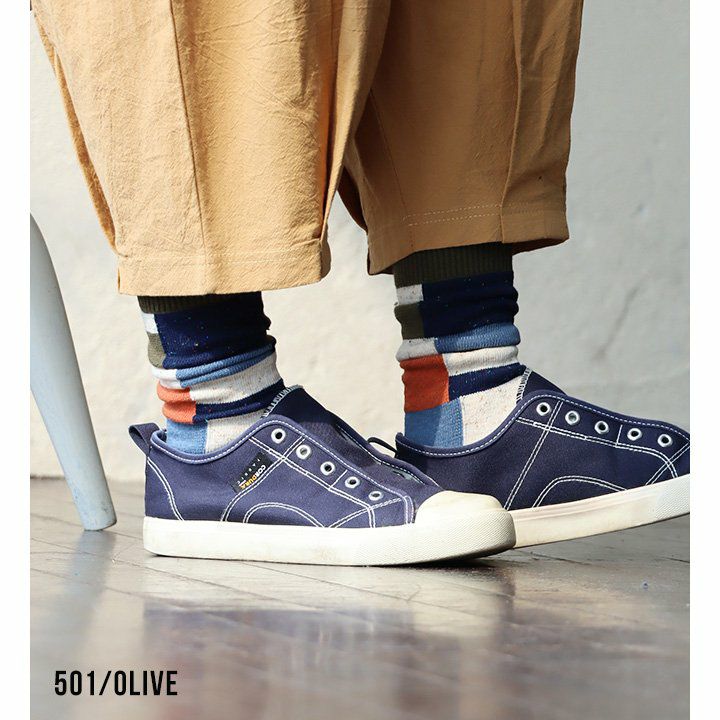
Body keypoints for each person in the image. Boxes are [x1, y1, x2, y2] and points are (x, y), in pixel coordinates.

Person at [32, 0, 689, 564]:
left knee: (462, 20)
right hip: (215, 432)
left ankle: (469, 399)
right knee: (212, 23)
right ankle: (218, 420)